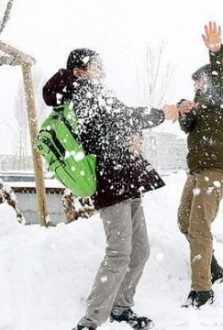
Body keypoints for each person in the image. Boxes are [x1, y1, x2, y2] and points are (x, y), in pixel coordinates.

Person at [42, 48, 178, 330]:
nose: (102, 69)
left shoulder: (98, 93)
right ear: (80, 71)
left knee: (140, 251)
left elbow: (117, 125)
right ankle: (90, 321)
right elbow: (121, 118)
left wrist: (134, 135)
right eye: (96, 65)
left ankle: (121, 308)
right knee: (119, 253)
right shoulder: (82, 94)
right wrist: (160, 114)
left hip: (127, 180)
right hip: (110, 183)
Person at [177, 22, 223, 308]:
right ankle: (213, 267)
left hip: (217, 168)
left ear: (210, 78)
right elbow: (188, 127)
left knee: (199, 227)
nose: (196, 87)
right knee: (185, 222)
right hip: (198, 169)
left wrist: (216, 51)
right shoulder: (202, 104)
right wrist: (184, 110)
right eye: (194, 85)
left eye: (199, 82)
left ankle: (202, 291)